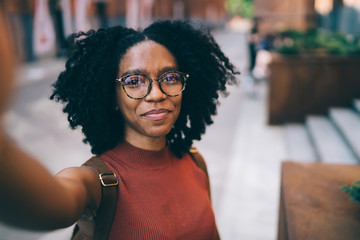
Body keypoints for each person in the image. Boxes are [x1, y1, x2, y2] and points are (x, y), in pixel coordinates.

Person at [0, 8, 239, 239]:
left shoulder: (195, 162)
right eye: (134, 81)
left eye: (170, 78)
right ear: (112, 97)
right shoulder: (95, 183)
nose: (156, 94)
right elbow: (43, 206)